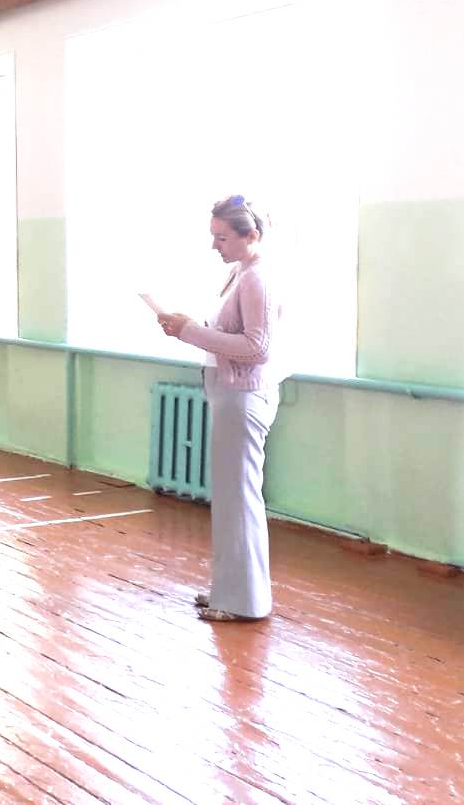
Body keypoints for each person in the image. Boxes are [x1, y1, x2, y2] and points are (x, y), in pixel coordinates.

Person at [156, 194, 286, 622]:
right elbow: (229, 332)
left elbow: (257, 348)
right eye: (214, 236)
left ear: (252, 235)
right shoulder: (240, 273)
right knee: (231, 499)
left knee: (239, 499)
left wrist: (189, 332)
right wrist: (190, 326)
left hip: (244, 396)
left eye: (223, 237)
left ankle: (242, 602)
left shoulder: (257, 278)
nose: (215, 245)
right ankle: (228, 590)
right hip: (229, 393)